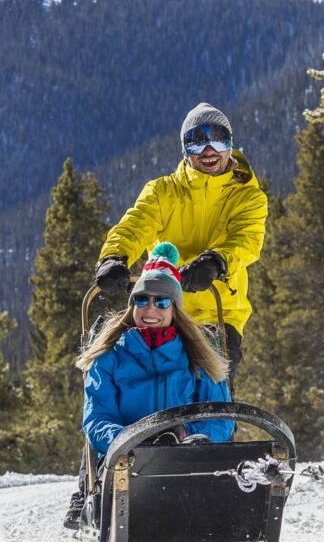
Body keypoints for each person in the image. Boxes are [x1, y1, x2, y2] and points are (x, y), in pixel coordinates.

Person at [93, 103, 267, 386]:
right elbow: (136, 225)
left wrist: (216, 261)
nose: (209, 151)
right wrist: (114, 257)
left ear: (230, 145)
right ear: (185, 150)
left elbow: (246, 240)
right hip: (161, 310)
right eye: (197, 142)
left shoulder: (248, 197)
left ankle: (212, 429)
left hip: (217, 314)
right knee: (135, 384)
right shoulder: (163, 192)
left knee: (207, 389)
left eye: (218, 139)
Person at [64, 242, 233, 529]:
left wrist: (189, 434)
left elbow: (220, 419)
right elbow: (97, 417)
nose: (151, 308)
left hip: (185, 458)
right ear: (132, 306)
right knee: (123, 460)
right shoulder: (109, 358)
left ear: (175, 309)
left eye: (162, 301)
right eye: (142, 300)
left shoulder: (198, 356)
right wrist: (125, 440)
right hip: (127, 460)